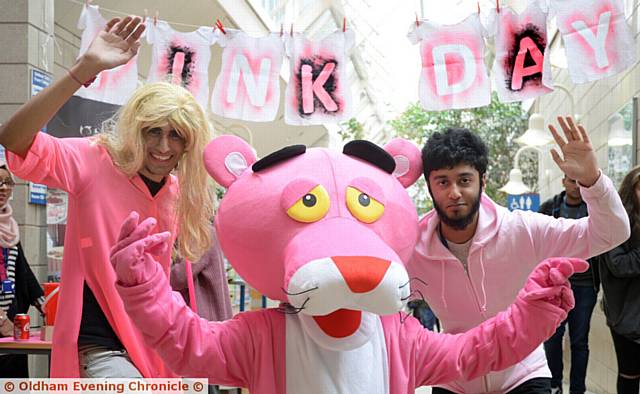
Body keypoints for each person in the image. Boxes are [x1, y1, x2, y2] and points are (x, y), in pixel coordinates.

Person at [0, 16, 214, 378]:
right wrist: (84, 69)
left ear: (189, 143)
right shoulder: (94, 159)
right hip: (102, 346)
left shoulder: (178, 192)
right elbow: (14, 140)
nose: (163, 147)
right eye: (153, 132)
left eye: (176, 135)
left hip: (158, 345)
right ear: (135, 128)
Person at [407, 117, 630, 393]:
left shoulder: (521, 229)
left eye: (464, 180)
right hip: (455, 378)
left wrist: (592, 181)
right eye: (442, 182)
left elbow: (611, 233)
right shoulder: (412, 249)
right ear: (429, 186)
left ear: (483, 181)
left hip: (523, 373)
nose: (454, 192)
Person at [540, 175, 602, 394]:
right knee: (553, 337)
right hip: (556, 284)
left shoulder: (593, 209)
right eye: (571, 180)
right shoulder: (549, 207)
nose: (576, 185)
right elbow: (538, 243)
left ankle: (577, 389)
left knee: (579, 341)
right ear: (563, 181)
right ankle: (555, 384)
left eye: (579, 180)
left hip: (585, 285)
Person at [0, 165, 45, 377]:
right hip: (3, 323)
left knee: (14, 384)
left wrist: (46, 304)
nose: (3, 188)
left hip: (11, 325)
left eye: (8, 182)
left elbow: (23, 272)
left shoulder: (9, 227)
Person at [600, 165, 640, 394]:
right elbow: (618, 264)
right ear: (630, 191)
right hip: (625, 317)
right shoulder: (617, 222)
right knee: (630, 374)